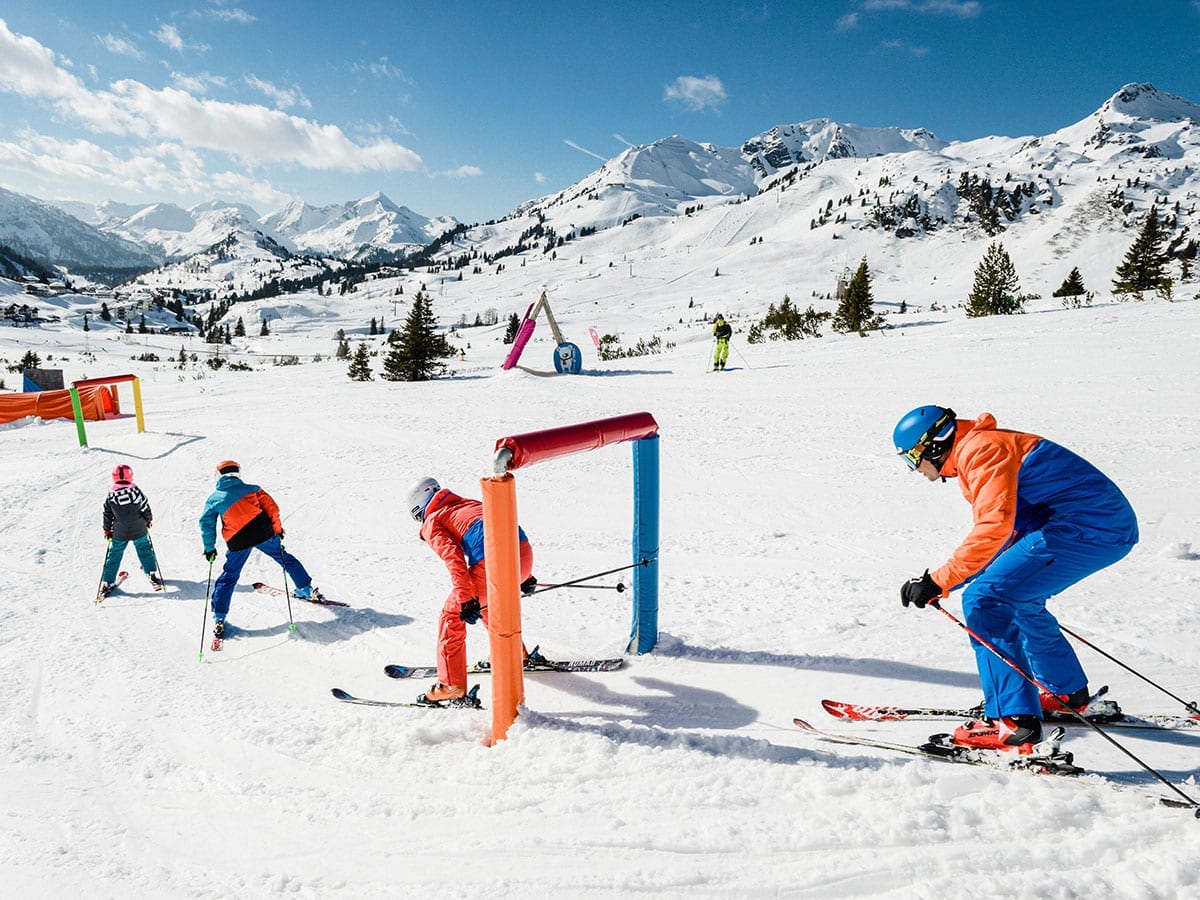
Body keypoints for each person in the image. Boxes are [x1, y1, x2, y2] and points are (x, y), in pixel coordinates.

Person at [894, 406, 1138, 755]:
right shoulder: (978, 449)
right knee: (1013, 597)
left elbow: (995, 528)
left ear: (932, 446)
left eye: (912, 458)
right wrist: (940, 582)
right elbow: (1007, 538)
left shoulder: (981, 450)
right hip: (1093, 525)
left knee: (985, 600)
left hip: (1086, 527)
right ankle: (1065, 693)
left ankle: (1013, 723)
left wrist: (940, 580)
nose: (915, 469)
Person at [406, 476, 535, 704]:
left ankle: (450, 685)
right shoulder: (468, 503)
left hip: (494, 564)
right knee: (487, 604)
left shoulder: (433, 520)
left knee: (451, 617)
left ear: (419, 508)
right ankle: (514, 654)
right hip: (523, 554)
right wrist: (523, 575)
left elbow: (453, 558)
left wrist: (466, 599)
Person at [199, 460, 316, 642]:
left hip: (238, 540)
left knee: (229, 576)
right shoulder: (253, 489)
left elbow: (206, 524)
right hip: (262, 532)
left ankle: (219, 618)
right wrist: (277, 530)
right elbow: (272, 509)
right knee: (284, 558)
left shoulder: (214, 498)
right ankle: (305, 589)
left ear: (218, 476)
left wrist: (209, 549)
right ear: (238, 473)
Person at [99, 464, 162, 596]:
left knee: (115, 554)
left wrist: (107, 529)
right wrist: (148, 519)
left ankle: (107, 582)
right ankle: (151, 572)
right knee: (144, 548)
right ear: (130, 476)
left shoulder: (111, 495)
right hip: (138, 528)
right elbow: (144, 506)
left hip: (119, 531)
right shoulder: (135, 491)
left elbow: (107, 513)